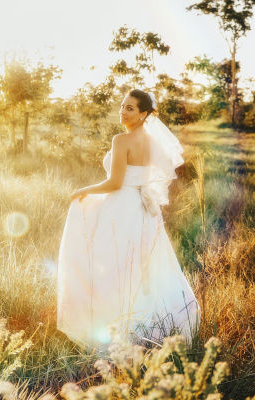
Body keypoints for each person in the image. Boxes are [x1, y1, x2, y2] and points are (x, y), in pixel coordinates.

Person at [56, 89, 200, 352]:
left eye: (130, 108)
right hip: (144, 211)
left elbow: (115, 182)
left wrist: (84, 191)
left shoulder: (121, 140)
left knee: (111, 268)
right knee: (144, 269)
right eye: (122, 106)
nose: (123, 111)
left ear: (144, 114)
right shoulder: (155, 143)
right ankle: (152, 329)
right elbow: (153, 176)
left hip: (121, 208)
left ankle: (112, 329)